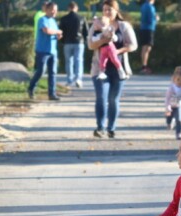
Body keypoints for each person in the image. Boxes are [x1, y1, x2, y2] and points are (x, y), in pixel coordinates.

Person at [87, 0, 137, 139]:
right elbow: (90, 44)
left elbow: (134, 45)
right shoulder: (97, 25)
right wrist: (102, 41)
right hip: (100, 69)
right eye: (104, 10)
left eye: (110, 10)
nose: (107, 12)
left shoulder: (123, 26)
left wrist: (117, 51)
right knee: (101, 98)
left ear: (116, 11)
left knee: (113, 99)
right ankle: (100, 127)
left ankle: (111, 128)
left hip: (118, 69)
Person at [28, 2, 63, 101]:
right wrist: (57, 32)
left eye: (56, 10)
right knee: (41, 71)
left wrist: (58, 36)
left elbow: (55, 34)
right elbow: (46, 31)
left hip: (52, 51)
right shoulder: (42, 19)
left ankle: (52, 93)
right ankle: (31, 88)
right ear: (47, 10)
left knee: (53, 72)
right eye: (52, 9)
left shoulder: (53, 21)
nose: (54, 12)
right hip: (42, 50)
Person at [59, 1, 89, 88]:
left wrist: (63, 41)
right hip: (79, 42)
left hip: (67, 42)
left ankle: (69, 79)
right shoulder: (82, 18)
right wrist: (85, 41)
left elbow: (61, 31)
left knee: (69, 62)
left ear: (68, 8)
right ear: (76, 8)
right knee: (78, 60)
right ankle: (78, 79)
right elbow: (86, 32)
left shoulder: (64, 18)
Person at [91, 16, 128, 80]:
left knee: (114, 59)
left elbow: (115, 39)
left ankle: (121, 71)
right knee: (102, 61)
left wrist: (112, 36)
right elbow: (94, 39)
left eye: (103, 24)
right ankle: (102, 72)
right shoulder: (97, 32)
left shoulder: (109, 30)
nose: (96, 26)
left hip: (110, 47)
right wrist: (100, 37)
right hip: (103, 49)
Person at [139, 0, 158, 74]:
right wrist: (156, 18)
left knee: (145, 47)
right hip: (149, 29)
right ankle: (144, 67)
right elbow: (150, 19)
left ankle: (143, 66)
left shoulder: (144, 5)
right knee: (147, 48)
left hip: (144, 28)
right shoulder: (150, 7)